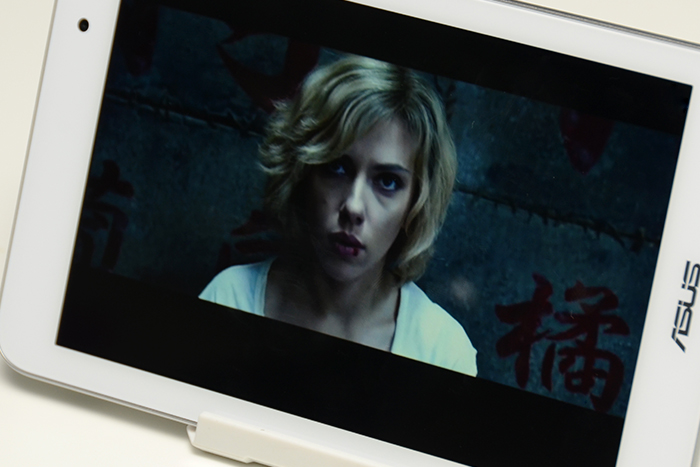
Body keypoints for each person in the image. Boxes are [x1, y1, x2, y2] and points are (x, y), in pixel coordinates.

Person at [200, 56, 477, 376]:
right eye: (337, 167)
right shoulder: (230, 300)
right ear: (302, 174)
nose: (354, 207)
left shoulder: (442, 351)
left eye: (388, 182)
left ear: (416, 204)